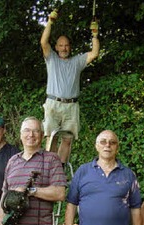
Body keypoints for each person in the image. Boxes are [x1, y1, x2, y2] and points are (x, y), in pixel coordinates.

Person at [40, 9, 100, 164]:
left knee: (67, 140)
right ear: (57, 47)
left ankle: (60, 170)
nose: (64, 48)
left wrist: (94, 34)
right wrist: (50, 22)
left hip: (71, 106)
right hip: (53, 104)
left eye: (66, 45)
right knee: (51, 139)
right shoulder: (51, 58)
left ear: (70, 47)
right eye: (61, 45)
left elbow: (94, 53)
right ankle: (48, 169)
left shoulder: (77, 62)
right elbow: (43, 42)